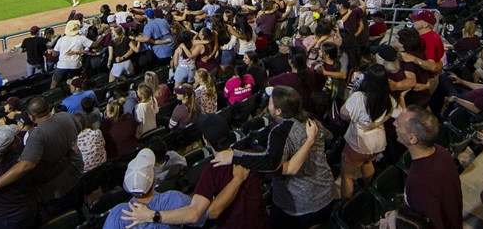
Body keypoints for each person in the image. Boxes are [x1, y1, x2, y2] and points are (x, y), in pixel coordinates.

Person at [121, 113, 271, 229]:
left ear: (205, 140)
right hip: (263, 223)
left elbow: (207, 213)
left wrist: (152, 216)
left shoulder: (211, 170)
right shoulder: (252, 155)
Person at [212, 86, 334, 228]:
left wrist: (234, 156)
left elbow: (271, 163)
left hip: (301, 205)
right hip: (326, 192)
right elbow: (329, 136)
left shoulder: (280, 131)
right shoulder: (310, 120)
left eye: (270, 102)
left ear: (278, 111)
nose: (267, 104)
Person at [0, 97, 83, 209]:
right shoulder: (66, 116)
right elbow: (78, 130)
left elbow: (25, 165)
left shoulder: (37, 135)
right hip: (77, 171)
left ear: (32, 117)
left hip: (58, 186)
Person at [397, 107, 463, 229]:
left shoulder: (419, 183)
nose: (394, 124)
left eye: (399, 124)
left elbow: (431, 224)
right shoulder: (441, 152)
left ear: (412, 138)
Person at [102, 148, 193, 229]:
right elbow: (201, 217)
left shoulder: (117, 214)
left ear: (127, 186)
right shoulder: (176, 199)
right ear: (154, 180)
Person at [339, 64, 391, 199]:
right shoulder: (387, 96)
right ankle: (370, 192)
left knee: (347, 175)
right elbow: (390, 114)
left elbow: (343, 114)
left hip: (359, 143)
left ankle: (346, 206)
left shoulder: (359, 97)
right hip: (377, 142)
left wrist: (351, 94)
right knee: (367, 162)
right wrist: (375, 124)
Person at [50, 20, 91, 88]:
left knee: (53, 85)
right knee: (77, 85)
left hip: (62, 65)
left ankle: (51, 96)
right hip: (75, 66)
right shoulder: (81, 38)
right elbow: (94, 45)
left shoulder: (61, 39)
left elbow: (54, 54)